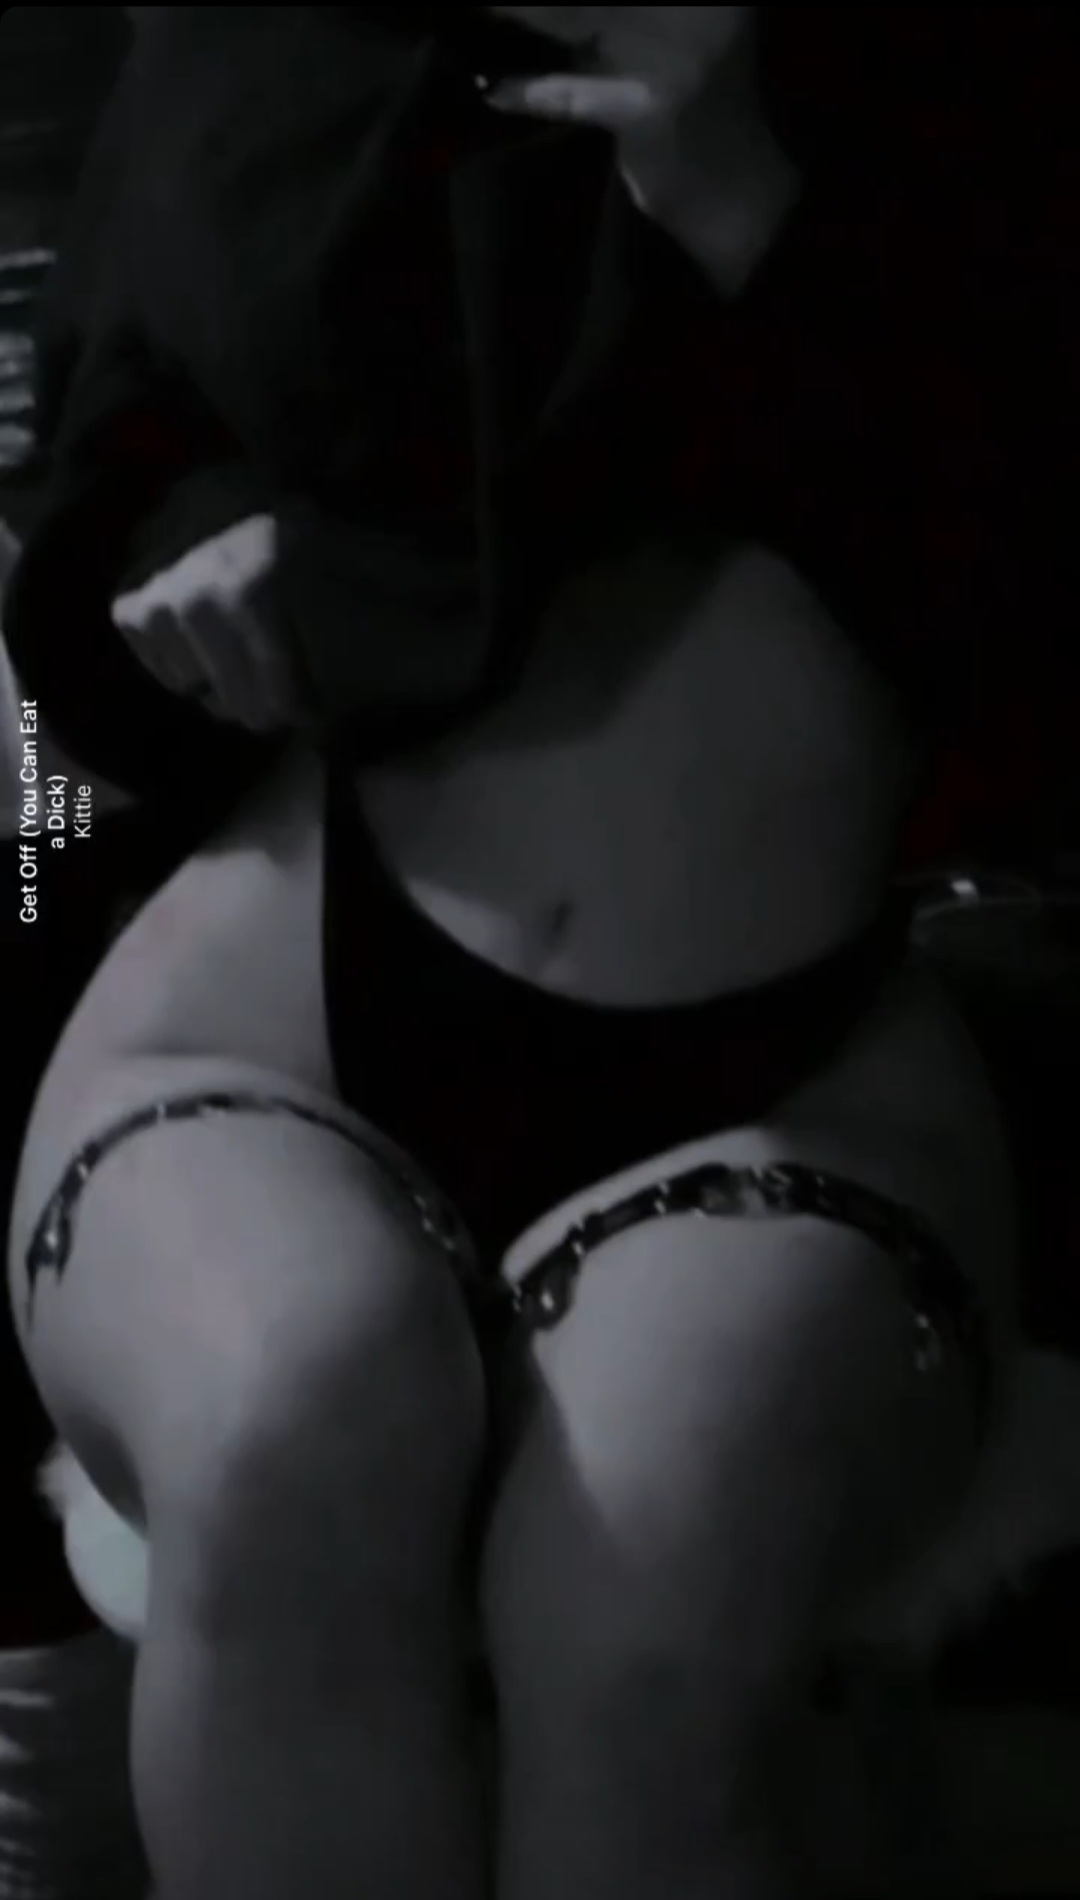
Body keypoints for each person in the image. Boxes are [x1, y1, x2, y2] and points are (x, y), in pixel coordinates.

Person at [3, 7, 1065, 1898]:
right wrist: (196, 539)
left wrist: (748, 204)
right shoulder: (260, 43)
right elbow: (105, 475)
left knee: (649, 1589)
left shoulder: (945, 79)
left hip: (791, 1060)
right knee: (284, 1425)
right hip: (273, 1011)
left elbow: (1023, 657)